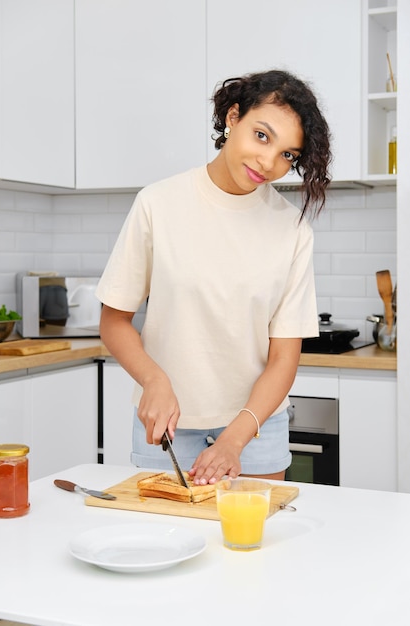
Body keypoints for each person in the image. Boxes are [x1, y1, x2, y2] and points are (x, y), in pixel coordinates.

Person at [96, 69, 332, 486]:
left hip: (255, 430)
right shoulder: (157, 204)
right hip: (166, 429)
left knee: (252, 548)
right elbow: (114, 322)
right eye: (262, 135)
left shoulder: (293, 231)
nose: (269, 162)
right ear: (233, 118)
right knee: (163, 544)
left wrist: (234, 440)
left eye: (288, 155)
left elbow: (284, 359)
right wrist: (154, 379)